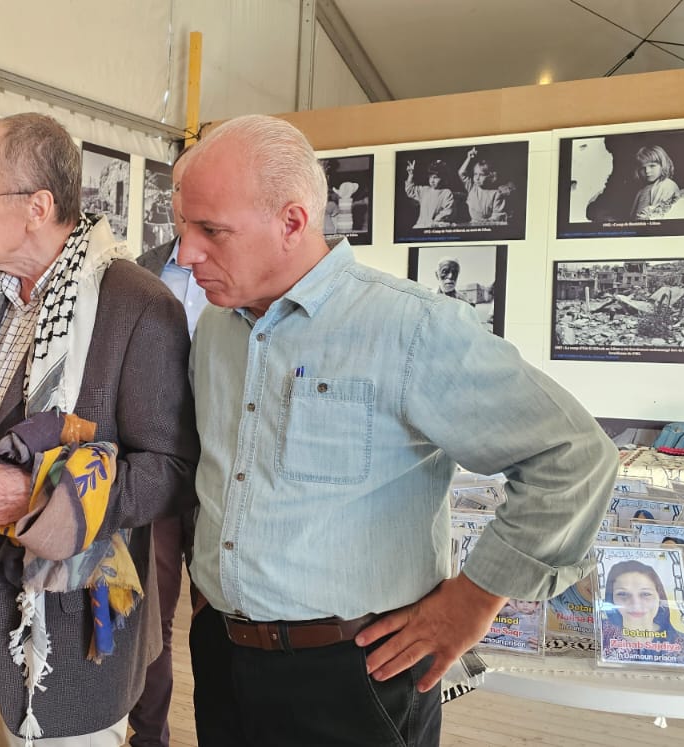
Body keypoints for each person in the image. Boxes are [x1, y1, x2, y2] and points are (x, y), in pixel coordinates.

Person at [178, 115, 615, 746]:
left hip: (355, 674)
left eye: (211, 230)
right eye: (184, 228)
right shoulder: (218, 329)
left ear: (292, 222)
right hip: (223, 657)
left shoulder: (411, 329)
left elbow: (573, 456)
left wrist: (476, 599)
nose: (186, 253)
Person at [0, 112, 198, 746]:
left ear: (37, 207)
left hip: (68, 625)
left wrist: (40, 496)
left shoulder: (138, 304)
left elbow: (170, 470)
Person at [129, 151, 201, 747]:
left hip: (228, 475)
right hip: (158, 471)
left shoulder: (252, 276)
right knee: (151, 618)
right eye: (179, 188)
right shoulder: (140, 274)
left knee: (225, 621)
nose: (187, 201)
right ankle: (149, 738)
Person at [599, 560, 684, 660]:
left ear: (660, 597)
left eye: (645, 594)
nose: (636, 604)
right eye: (622, 594)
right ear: (611, 599)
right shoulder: (600, 634)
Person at [457, 147, 510, 224]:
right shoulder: (472, 188)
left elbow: (497, 216)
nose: (477, 178)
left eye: (481, 175)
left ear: (491, 176)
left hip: (488, 226)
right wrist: (469, 158)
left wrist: (484, 223)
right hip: (472, 224)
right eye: (475, 174)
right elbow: (461, 173)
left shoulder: (496, 194)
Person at [403, 159, 457, 228]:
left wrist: (435, 222)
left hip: (434, 227)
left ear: (443, 178)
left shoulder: (446, 193)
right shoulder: (424, 190)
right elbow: (410, 190)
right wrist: (410, 175)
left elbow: (448, 211)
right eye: (430, 177)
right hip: (420, 226)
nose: (432, 181)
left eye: (435, 177)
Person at [631, 145, 679, 219]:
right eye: (643, 168)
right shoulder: (642, 190)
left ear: (663, 165)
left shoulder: (667, 185)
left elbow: (664, 215)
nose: (647, 171)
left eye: (652, 166)